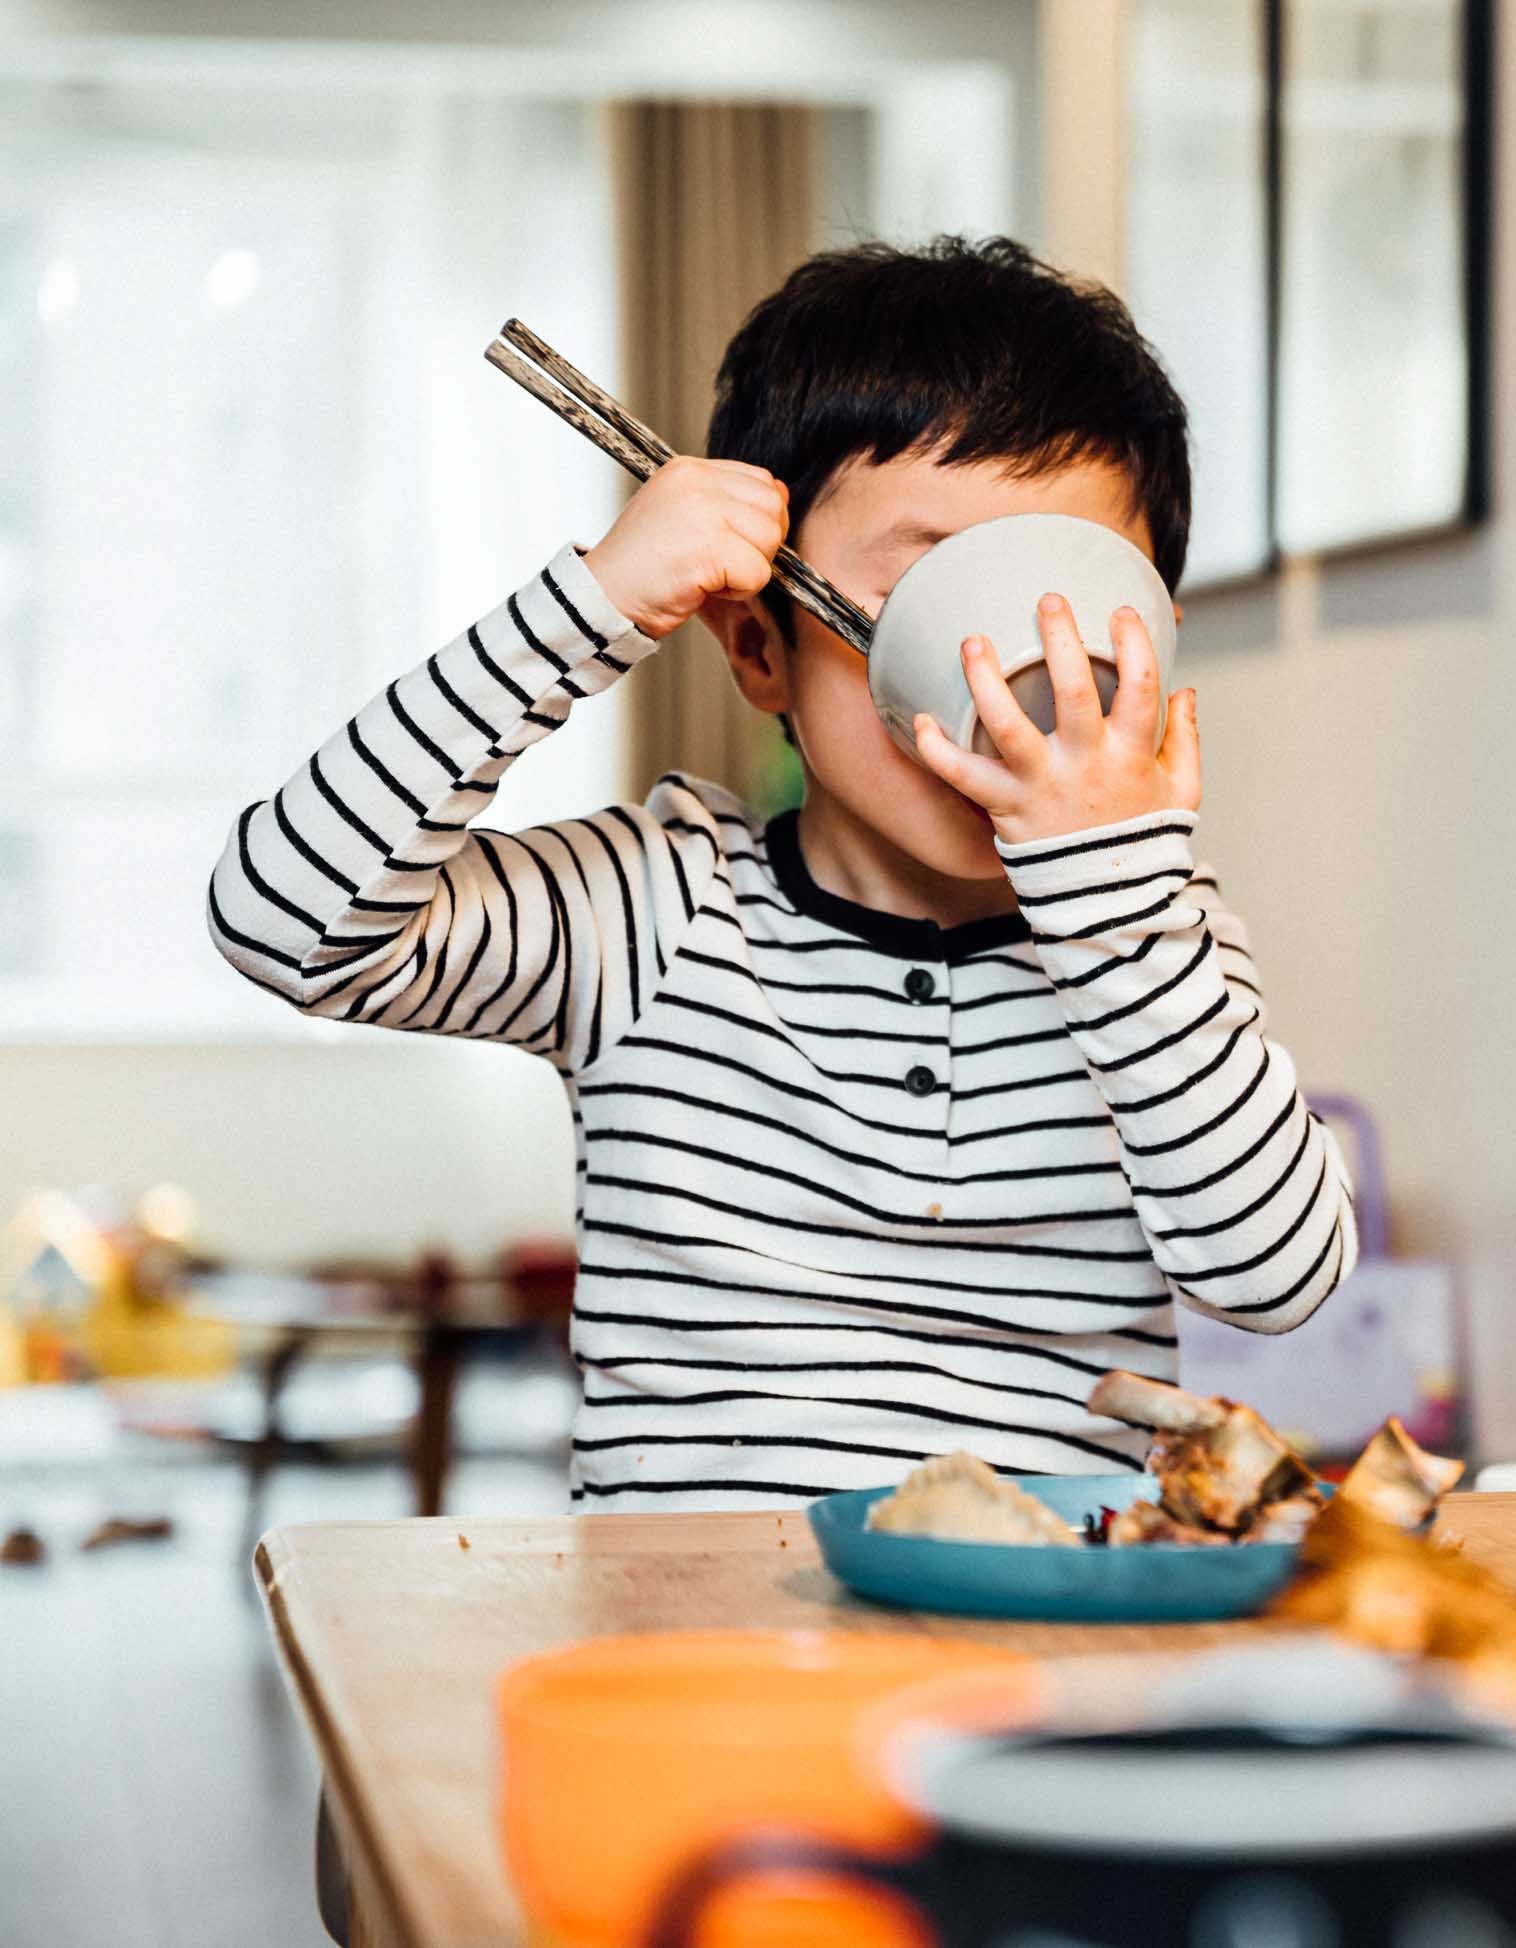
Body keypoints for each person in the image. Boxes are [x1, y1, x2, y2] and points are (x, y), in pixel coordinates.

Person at [208, 237, 1354, 1508]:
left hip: (1026, 1654)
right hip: (686, 1649)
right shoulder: (654, 907)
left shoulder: (1157, 950)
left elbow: (1278, 1282)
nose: (1003, 681)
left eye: (1064, 604)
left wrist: (1120, 904)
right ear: (758, 648)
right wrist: (589, 608)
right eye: (927, 588)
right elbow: (283, 918)